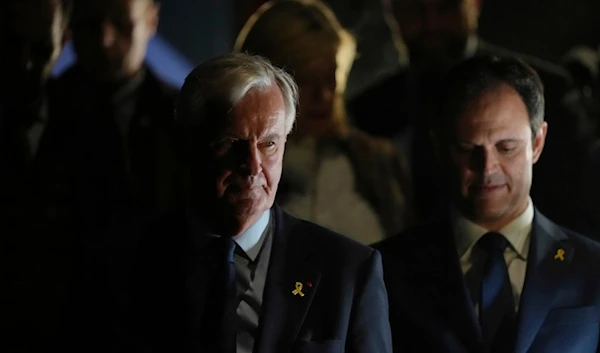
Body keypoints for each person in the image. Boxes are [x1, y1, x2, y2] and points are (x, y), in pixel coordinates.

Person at [125, 53, 393, 353]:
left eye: (269, 144)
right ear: (189, 146)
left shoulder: (348, 273)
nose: (253, 166)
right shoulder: (131, 260)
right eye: (231, 143)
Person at [376, 56, 600, 353]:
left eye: (506, 148)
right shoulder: (385, 270)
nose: (487, 168)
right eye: (467, 149)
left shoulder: (592, 267)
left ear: (537, 142)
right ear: (439, 146)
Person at [349, 0, 596, 234]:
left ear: (474, 3)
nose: (431, 24)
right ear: (391, 11)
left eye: (445, 8)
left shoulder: (548, 92)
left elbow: (574, 206)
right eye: (416, 10)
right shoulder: (368, 112)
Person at [234, 0, 413, 244]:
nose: (324, 96)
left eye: (330, 79)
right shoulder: (235, 169)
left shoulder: (375, 163)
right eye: (306, 80)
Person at [0, 0, 74, 350]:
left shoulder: (84, 123)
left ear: (64, 40)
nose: (26, 62)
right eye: (13, 44)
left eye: (42, 47)